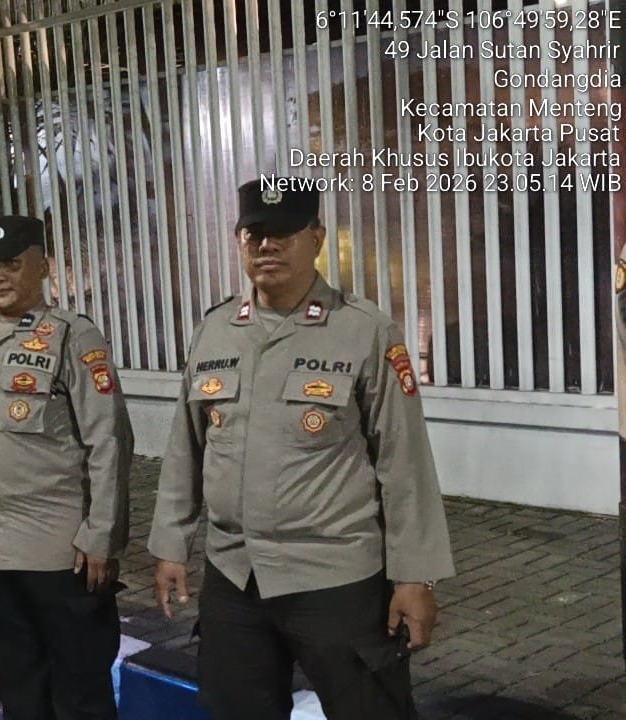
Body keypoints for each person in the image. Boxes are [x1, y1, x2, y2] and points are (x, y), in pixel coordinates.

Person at [148, 179, 456, 720]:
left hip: (334, 578)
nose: (267, 245)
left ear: (316, 238)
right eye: (255, 234)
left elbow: (404, 463)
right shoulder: (214, 331)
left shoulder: (363, 331)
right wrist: (171, 545)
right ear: (240, 241)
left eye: (283, 233)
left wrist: (415, 577)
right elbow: (185, 449)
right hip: (235, 574)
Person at [0, 215, 133, 720]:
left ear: (43, 267)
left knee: (80, 693)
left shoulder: (73, 336)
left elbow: (109, 442)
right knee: (16, 685)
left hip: (58, 550)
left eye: (11, 263)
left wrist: (102, 536)